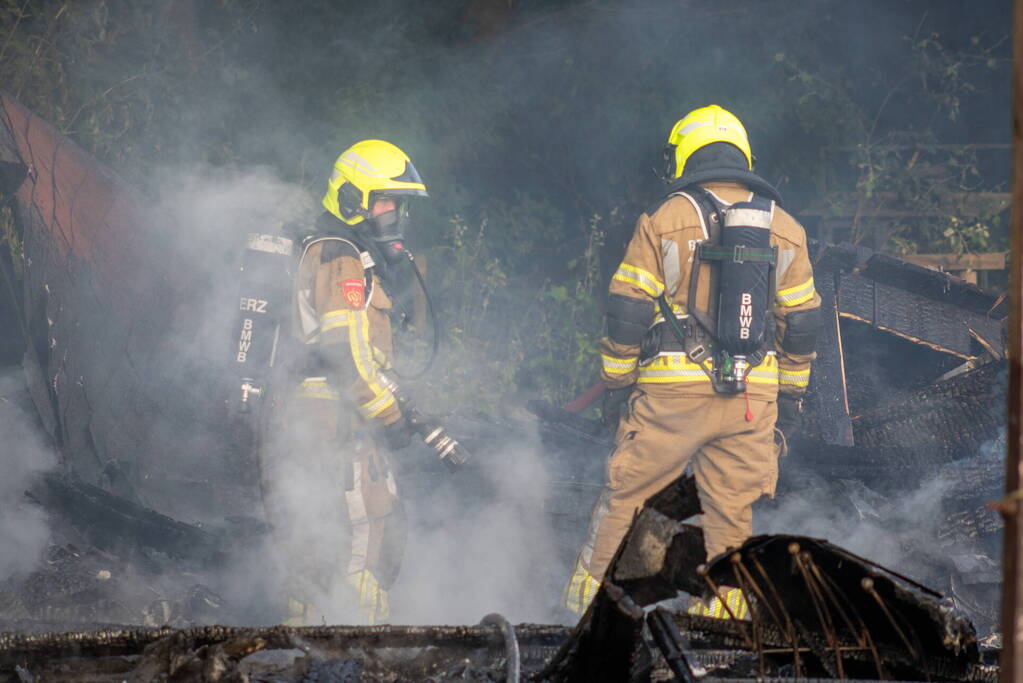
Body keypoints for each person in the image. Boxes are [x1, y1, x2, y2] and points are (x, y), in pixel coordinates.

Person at [563, 105, 821, 616]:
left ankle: (594, 605)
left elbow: (629, 306)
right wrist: (790, 392)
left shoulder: (666, 218)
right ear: (743, 154)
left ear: (685, 154)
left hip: (671, 397)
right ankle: (721, 617)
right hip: (751, 398)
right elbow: (803, 322)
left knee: (635, 498)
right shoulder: (786, 226)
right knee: (731, 509)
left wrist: (616, 376)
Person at [260, 139, 428, 625]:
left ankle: (300, 647)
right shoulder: (339, 256)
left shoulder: (341, 252)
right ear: (353, 199)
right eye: (384, 202)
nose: (393, 214)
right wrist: (390, 417)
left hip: (324, 416)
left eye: (398, 204)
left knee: (315, 534)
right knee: (367, 524)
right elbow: (345, 358)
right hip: (333, 418)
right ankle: (363, 645)